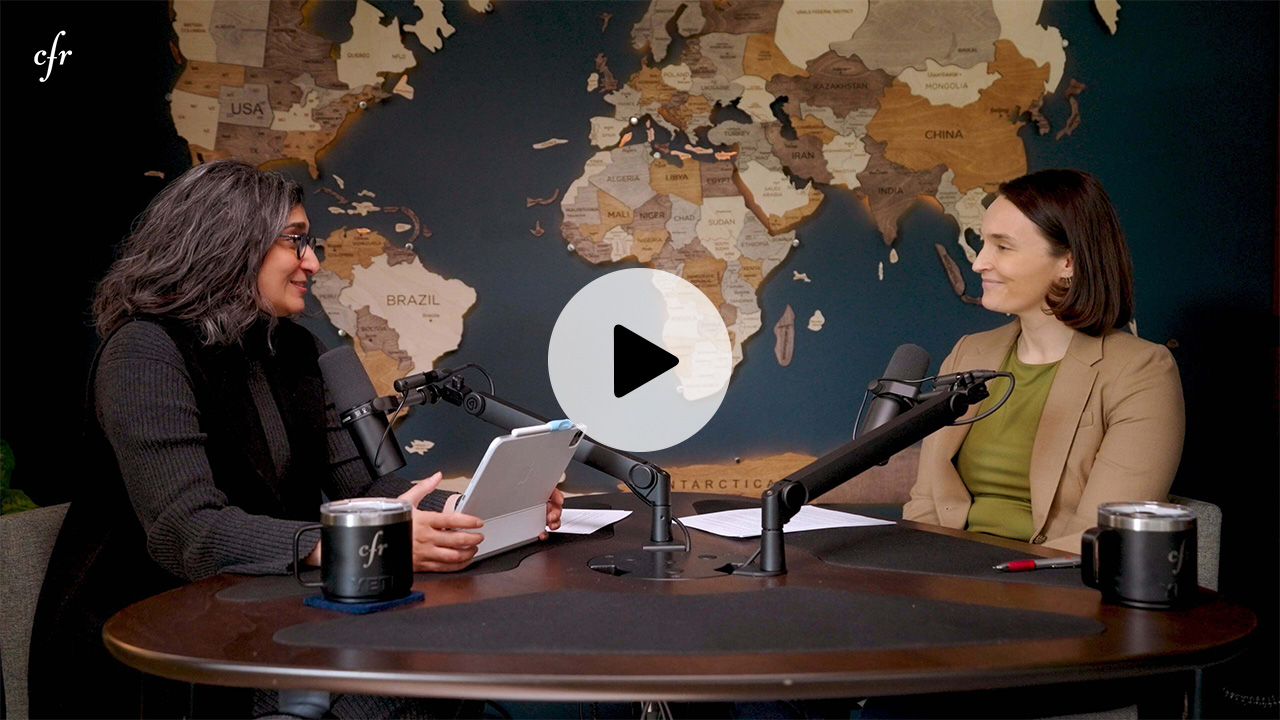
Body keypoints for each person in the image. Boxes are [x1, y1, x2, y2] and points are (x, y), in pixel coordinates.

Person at [28, 159, 564, 718]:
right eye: (296, 241)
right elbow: (186, 532)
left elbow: (368, 482)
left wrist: (469, 509)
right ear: (229, 243)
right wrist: (354, 548)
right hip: (153, 639)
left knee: (444, 676)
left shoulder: (297, 349)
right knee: (389, 699)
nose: (312, 261)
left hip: (261, 604)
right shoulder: (144, 353)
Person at [903, 168, 1184, 553]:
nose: (979, 262)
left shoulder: (1141, 372)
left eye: (1002, 247)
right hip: (947, 576)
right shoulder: (969, 352)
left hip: (1051, 586)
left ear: (1068, 263)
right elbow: (925, 502)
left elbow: (1103, 535)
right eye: (983, 243)